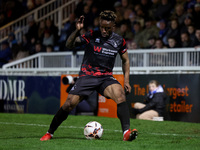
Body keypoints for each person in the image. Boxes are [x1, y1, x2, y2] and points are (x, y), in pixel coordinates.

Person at [40, 10, 138, 141]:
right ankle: (49, 132)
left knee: (120, 94)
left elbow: (125, 60)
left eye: (107, 28)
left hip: (105, 77)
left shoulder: (119, 41)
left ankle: (126, 133)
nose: (104, 30)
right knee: (69, 104)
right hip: (87, 76)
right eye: (102, 27)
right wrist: (77, 30)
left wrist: (126, 81)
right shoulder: (91, 35)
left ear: (113, 27)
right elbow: (69, 44)